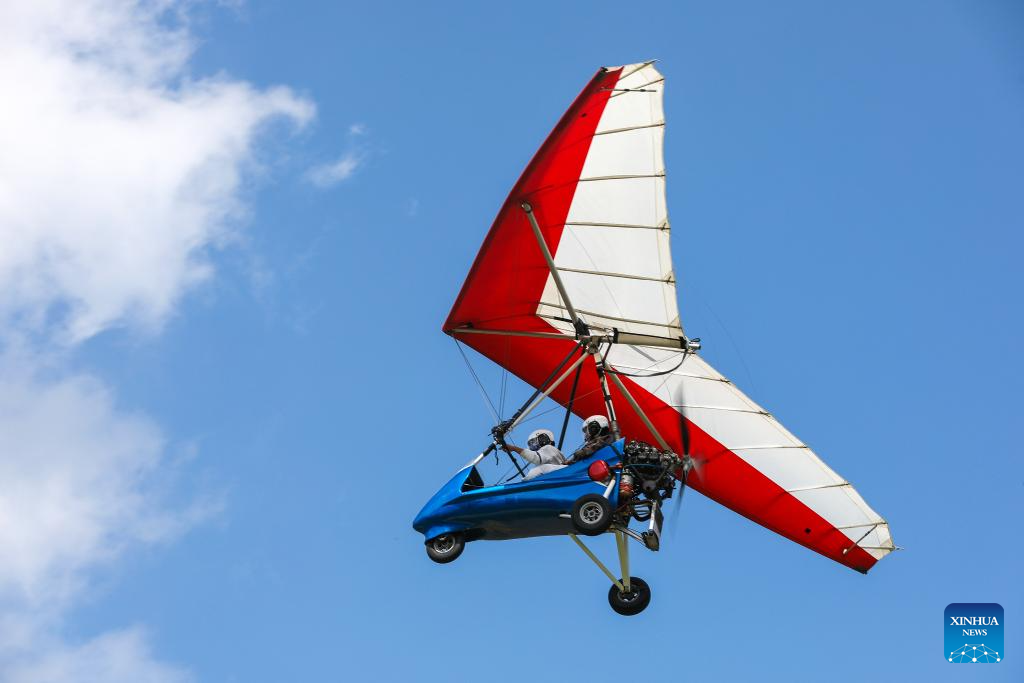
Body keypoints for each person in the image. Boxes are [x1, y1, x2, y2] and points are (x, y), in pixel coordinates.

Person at [500, 428, 567, 480]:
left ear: (544, 439)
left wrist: (514, 448)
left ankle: (524, 487)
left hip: (562, 473)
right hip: (558, 476)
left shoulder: (548, 448)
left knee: (536, 471)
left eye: (535, 442)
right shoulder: (546, 454)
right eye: (532, 445)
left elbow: (536, 458)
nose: (535, 445)